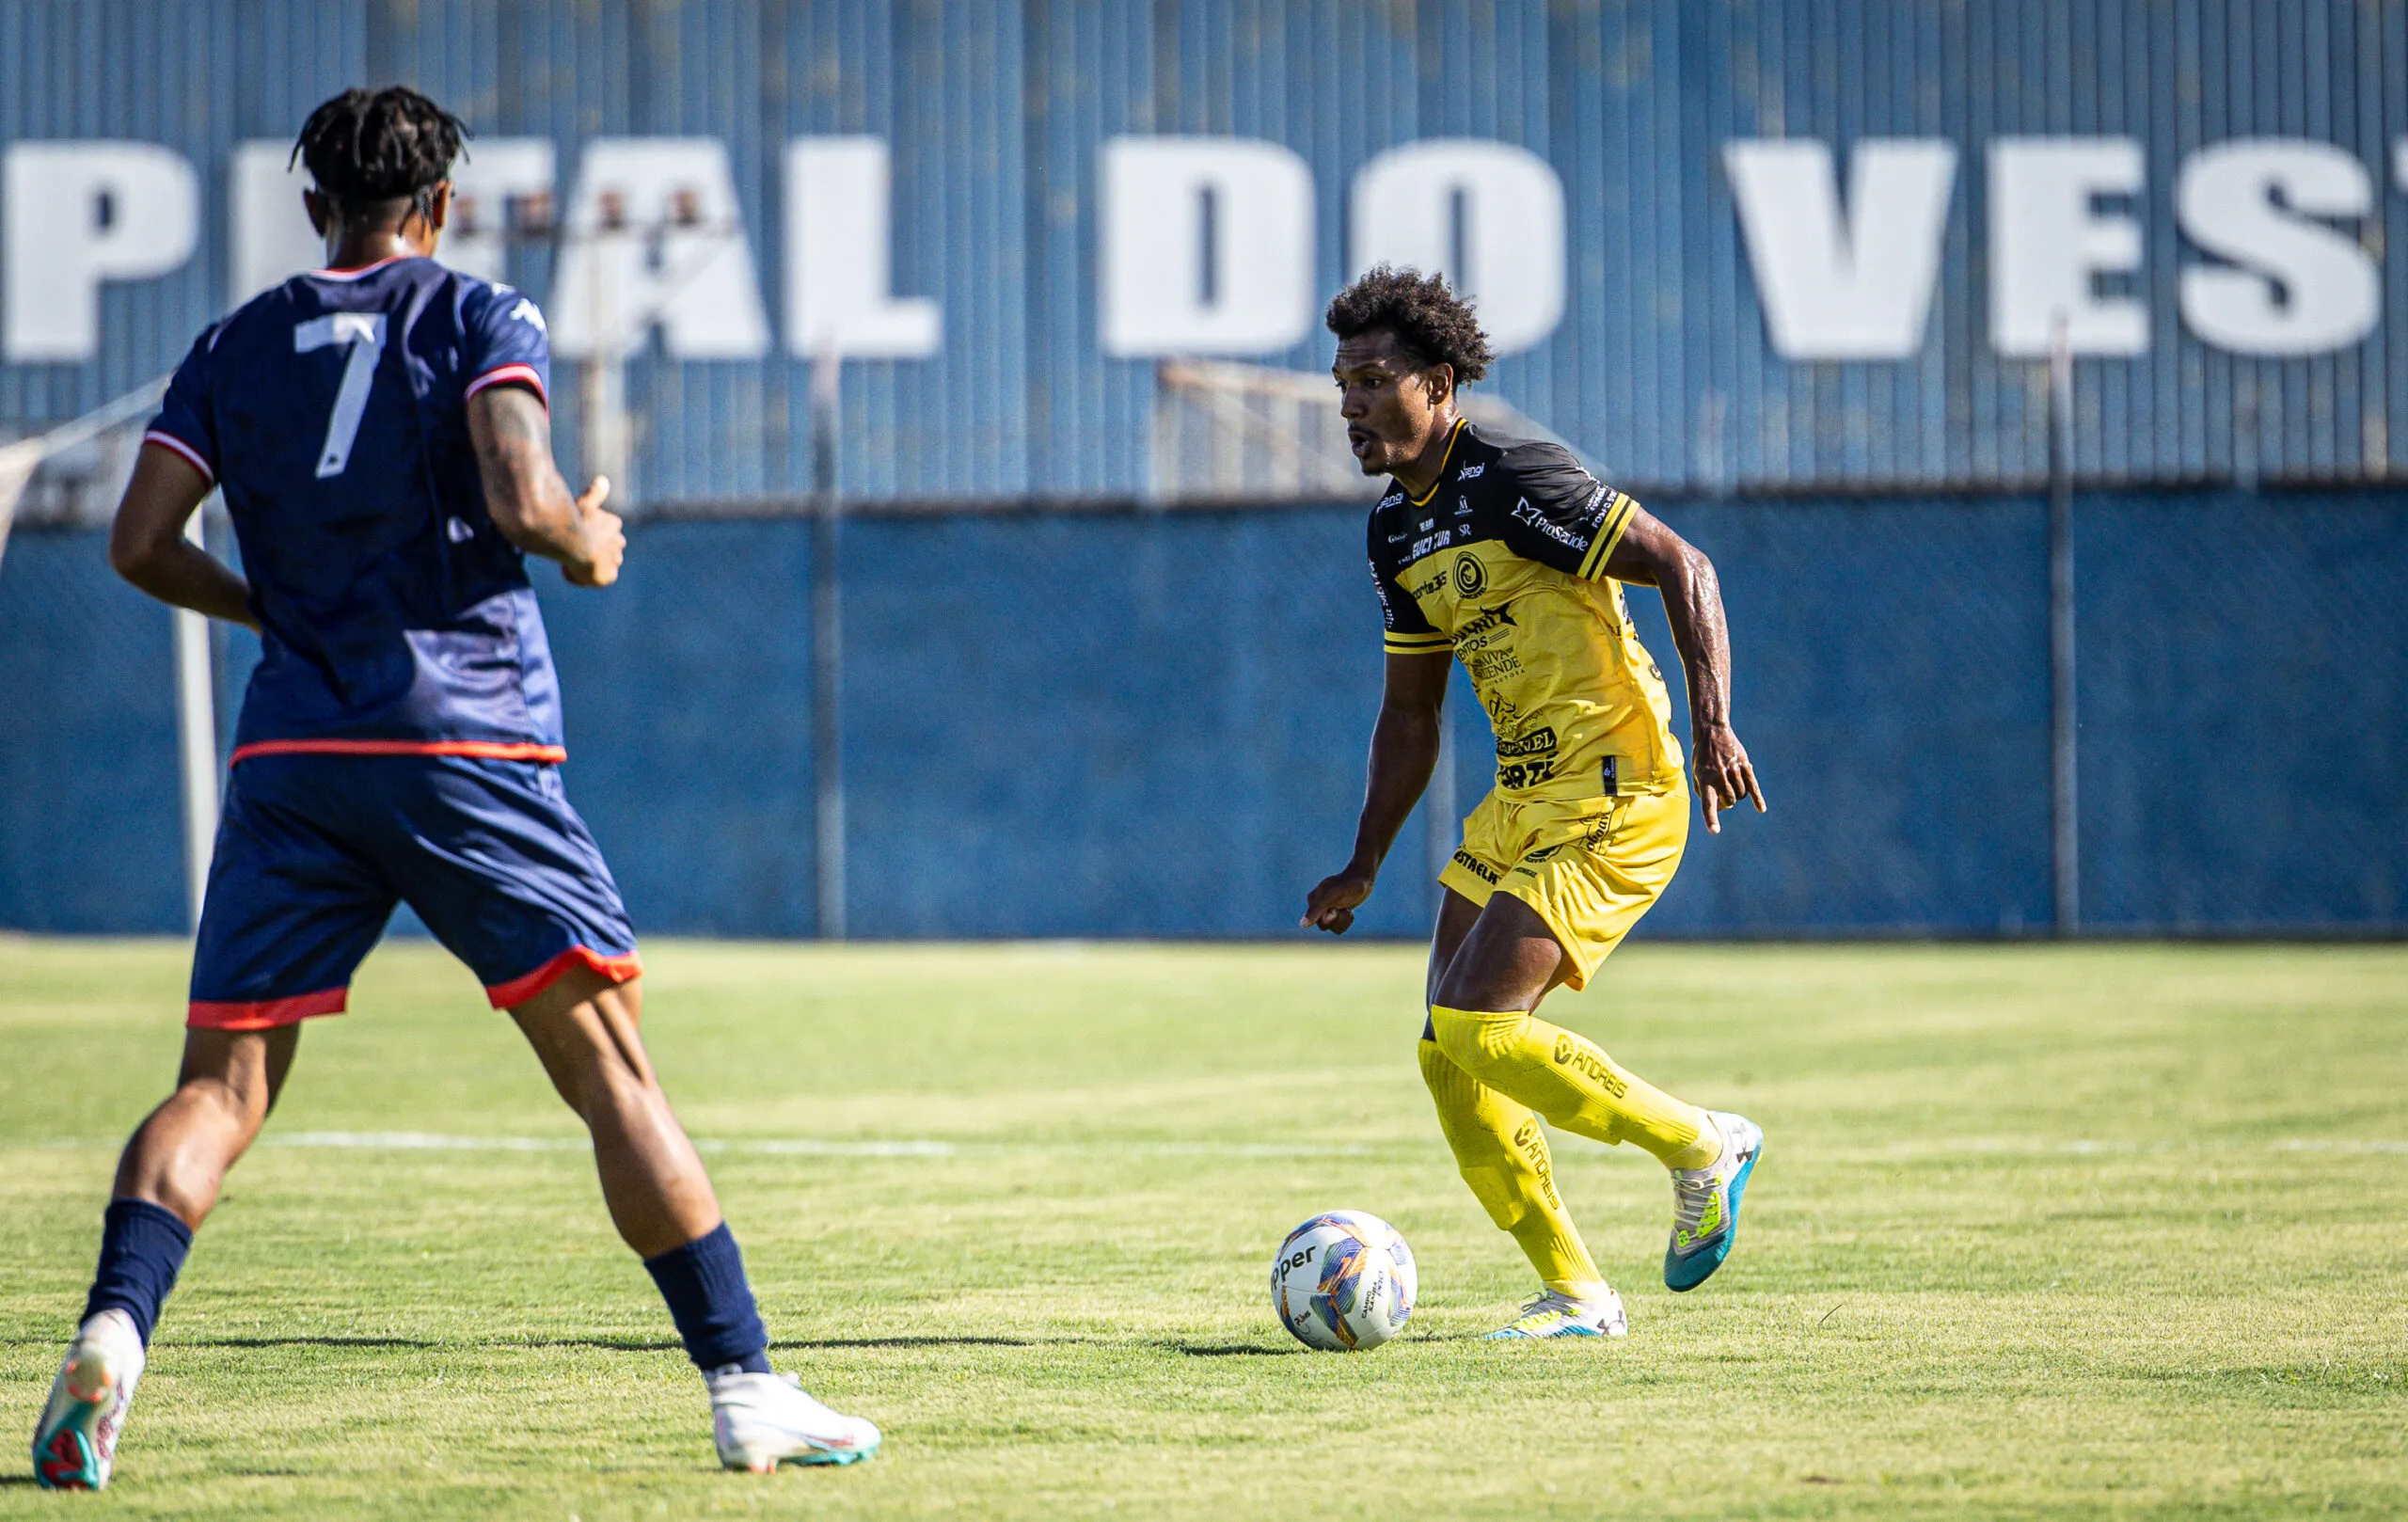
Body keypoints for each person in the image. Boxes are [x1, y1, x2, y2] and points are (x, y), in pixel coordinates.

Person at [32, 87, 876, 1490]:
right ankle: (743, 1384)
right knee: (612, 1069)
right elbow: (520, 493)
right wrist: (587, 541)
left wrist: (273, 617)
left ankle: (116, 1330)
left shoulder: (232, 346)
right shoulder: (481, 314)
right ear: (440, 205)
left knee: (222, 1082)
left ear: (317, 208)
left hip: (295, 751)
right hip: (465, 740)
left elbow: (135, 543)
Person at [1302, 266, 1769, 1340]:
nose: (1351, 406)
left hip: (1622, 788)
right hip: (1522, 800)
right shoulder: (1394, 533)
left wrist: (1711, 724)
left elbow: (1681, 563)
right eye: (1341, 385)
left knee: (1478, 1023)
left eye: (1372, 381)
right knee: (1444, 1051)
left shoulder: (1514, 474)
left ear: (1439, 381)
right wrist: (1364, 861)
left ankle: (1705, 1142)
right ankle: (1578, 1295)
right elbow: (1410, 716)